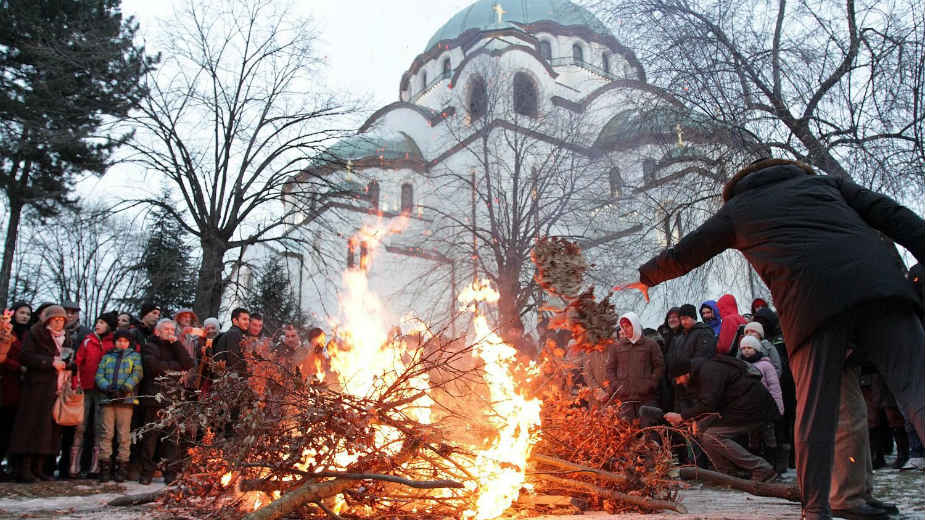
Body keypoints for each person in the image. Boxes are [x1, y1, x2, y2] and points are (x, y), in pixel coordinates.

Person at [634, 158, 925, 520]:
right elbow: (891, 213)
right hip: (881, 288)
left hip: (812, 305)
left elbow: (689, 249)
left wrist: (648, 276)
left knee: (815, 414)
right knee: (917, 391)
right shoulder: (825, 185)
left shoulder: (739, 209)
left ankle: (816, 509)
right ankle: (849, 497)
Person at [664, 354, 779, 482]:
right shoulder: (701, 372)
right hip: (741, 407)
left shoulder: (709, 372)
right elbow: (714, 403)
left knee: (712, 436)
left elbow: (709, 403)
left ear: (686, 373)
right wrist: (695, 421)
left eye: (678, 378)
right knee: (703, 432)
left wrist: (682, 417)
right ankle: (727, 475)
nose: (678, 382)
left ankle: (762, 468)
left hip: (754, 408)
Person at [9, 305, 73, 482]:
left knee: (50, 429)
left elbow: (68, 359)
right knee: (31, 426)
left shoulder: (66, 338)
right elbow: (26, 356)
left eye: (62, 320)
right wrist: (49, 362)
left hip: (56, 386)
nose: (59, 323)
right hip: (36, 387)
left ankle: (40, 467)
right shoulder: (35, 334)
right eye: (56, 320)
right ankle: (24, 468)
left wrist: (68, 365)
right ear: (49, 320)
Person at [139, 319, 194, 484]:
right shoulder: (150, 346)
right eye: (167, 329)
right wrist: (174, 367)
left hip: (173, 398)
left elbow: (188, 363)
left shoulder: (175, 347)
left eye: (172, 329)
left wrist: (176, 345)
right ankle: (146, 473)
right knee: (151, 438)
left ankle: (170, 473)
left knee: (172, 438)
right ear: (158, 331)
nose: (170, 331)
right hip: (154, 398)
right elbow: (153, 366)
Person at [71, 311, 118, 477]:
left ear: (109, 326)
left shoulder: (113, 344)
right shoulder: (88, 340)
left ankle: (96, 465)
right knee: (80, 425)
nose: (98, 325)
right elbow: (77, 362)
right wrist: (76, 383)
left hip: (103, 389)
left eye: (102, 323)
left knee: (100, 426)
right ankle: (74, 464)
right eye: (97, 322)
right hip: (85, 387)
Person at [95, 329, 143, 483]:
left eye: (125, 341)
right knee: (106, 433)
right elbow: (99, 374)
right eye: (119, 341)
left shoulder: (134, 357)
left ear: (129, 343)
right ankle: (105, 466)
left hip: (126, 400)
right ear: (115, 342)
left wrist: (125, 388)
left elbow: (137, 373)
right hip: (108, 399)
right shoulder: (107, 357)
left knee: (123, 434)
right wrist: (106, 387)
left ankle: (122, 466)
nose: (122, 343)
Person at [605, 312, 664, 422]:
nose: (624, 330)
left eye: (628, 326)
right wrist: (617, 386)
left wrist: (650, 384)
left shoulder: (650, 345)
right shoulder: (616, 347)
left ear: (635, 325)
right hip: (625, 400)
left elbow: (659, 366)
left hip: (647, 399)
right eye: (623, 327)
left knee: (650, 432)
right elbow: (610, 369)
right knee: (628, 434)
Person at [0, 302, 30, 480]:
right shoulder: (6, 331)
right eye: (21, 312)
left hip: (20, 387)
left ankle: (11, 464)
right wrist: (19, 367)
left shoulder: (28, 334)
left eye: (27, 313)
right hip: (6, 381)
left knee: (12, 427)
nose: (25, 316)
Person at [213, 308, 249, 376]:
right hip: (229, 378)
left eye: (248, 319)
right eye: (244, 319)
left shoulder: (233, 333)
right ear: (235, 320)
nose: (247, 322)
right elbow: (234, 359)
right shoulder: (234, 333)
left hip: (225, 376)